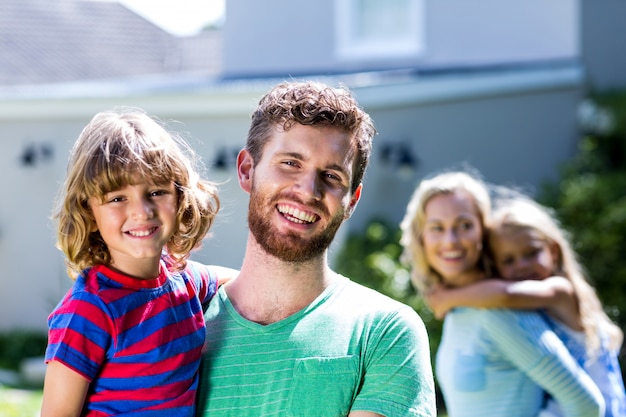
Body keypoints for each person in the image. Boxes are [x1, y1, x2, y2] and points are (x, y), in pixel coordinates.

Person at [197, 80, 437, 417]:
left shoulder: (383, 332)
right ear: (247, 170)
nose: (308, 191)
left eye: (332, 176)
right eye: (291, 163)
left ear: (351, 200)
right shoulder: (182, 323)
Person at [41, 109, 234, 417]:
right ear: (89, 213)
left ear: (180, 198)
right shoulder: (88, 311)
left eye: (157, 192)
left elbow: (241, 281)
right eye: (117, 198)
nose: (142, 211)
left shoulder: (185, 282)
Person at [399, 170, 605, 417]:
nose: (451, 240)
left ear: (483, 233)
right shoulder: (460, 308)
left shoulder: (499, 312)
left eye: (464, 225)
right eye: (436, 227)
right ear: (421, 238)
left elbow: (586, 406)